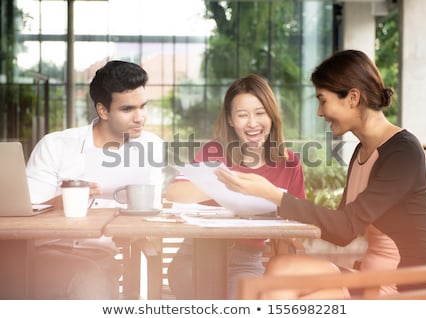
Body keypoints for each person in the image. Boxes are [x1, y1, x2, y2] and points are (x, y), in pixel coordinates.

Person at [215, 50, 426, 299]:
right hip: (370, 277)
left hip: (407, 287)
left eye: (323, 100)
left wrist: (275, 195)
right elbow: (341, 227)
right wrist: (270, 200)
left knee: (292, 295)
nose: (320, 112)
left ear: (353, 98)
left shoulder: (403, 152)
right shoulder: (362, 151)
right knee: (281, 268)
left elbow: (344, 228)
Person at [26, 60, 164, 299]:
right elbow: (27, 214)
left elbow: (150, 212)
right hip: (47, 253)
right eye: (127, 109)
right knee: (90, 279)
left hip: (103, 256)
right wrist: (69, 200)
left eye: (143, 106)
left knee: (95, 278)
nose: (140, 117)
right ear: (103, 111)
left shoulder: (149, 146)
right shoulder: (55, 145)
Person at [165, 74, 306, 299]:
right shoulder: (215, 151)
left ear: (272, 115)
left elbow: (300, 221)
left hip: (246, 261)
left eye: (260, 113)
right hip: (197, 256)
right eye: (242, 115)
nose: (252, 123)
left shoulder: (289, 163)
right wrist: (225, 184)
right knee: (206, 295)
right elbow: (175, 192)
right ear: (231, 120)